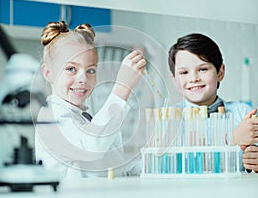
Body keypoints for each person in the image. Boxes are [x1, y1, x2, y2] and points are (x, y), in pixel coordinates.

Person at [34, 21, 146, 178]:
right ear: (48, 73)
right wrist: (122, 88)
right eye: (71, 69)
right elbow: (92, 147)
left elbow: (115, 165)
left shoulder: (85, 118)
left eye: (90, 70)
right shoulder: (50, 118)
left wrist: (153, 164)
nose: (83, 78)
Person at [168, 33, 258, 172]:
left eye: (203, 69)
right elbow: (176, 165)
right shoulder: (169, 118)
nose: (194, 78)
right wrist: (232, 139)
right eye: (184, 72)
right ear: (174, 80)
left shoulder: (242, 112)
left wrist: (254, 160)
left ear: (220, 72)